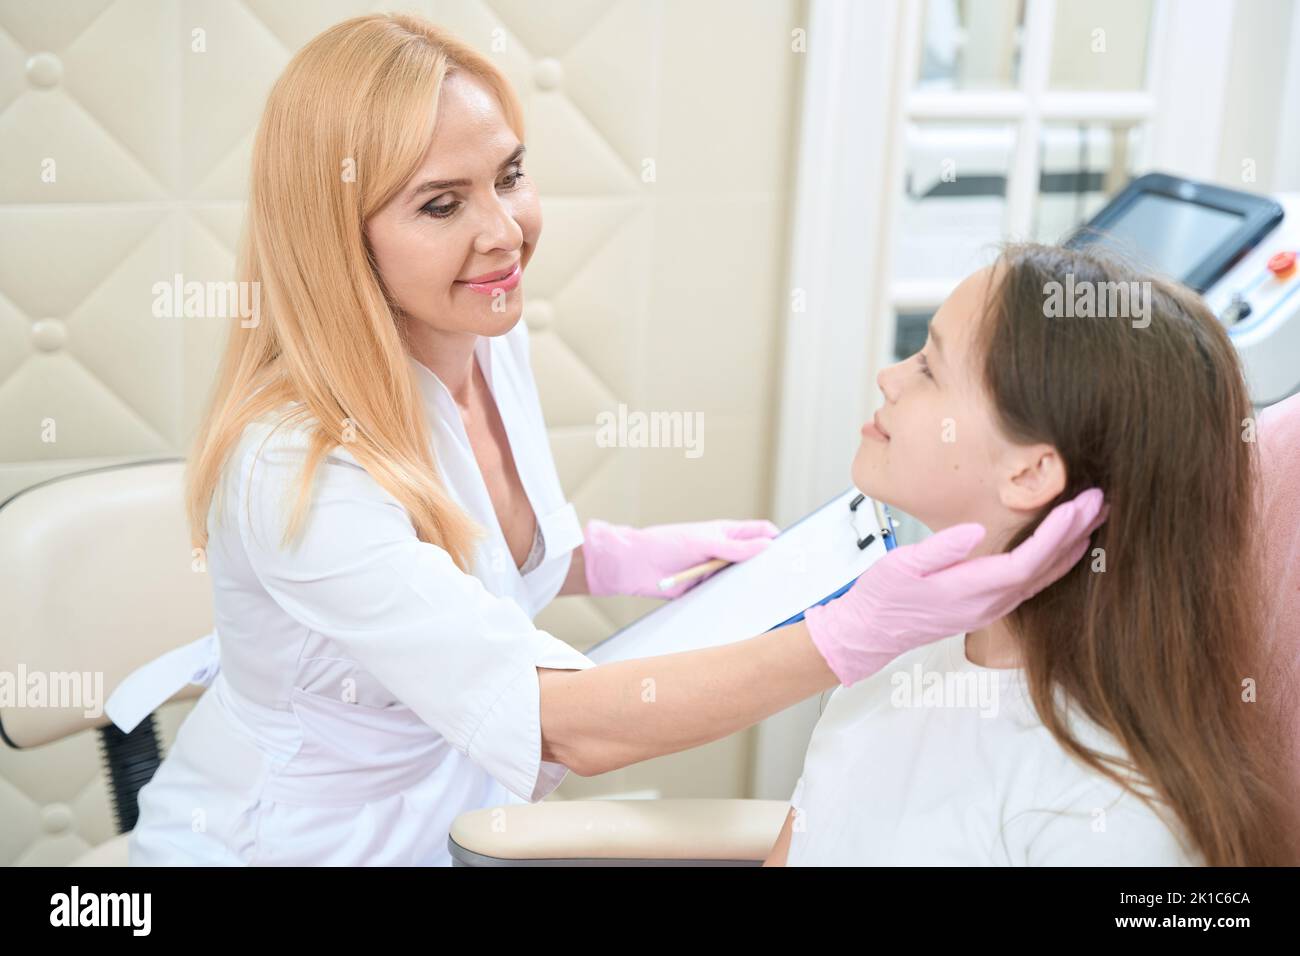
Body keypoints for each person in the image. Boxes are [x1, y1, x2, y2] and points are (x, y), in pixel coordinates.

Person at [112, 15, 1102, 866]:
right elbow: (570, 726)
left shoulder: (481, 335)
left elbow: (466, 552)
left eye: (509, 175)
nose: (503, 232)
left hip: (455, 822)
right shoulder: (300, 469)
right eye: (441, 204)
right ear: (336, 233)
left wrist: (612, 556)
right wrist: (844, 635)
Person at [764, 242, 1292, 866]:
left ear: (1031, 474)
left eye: (930, 368)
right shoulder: (901, 654)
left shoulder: (1106, 816)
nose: (891, 377)